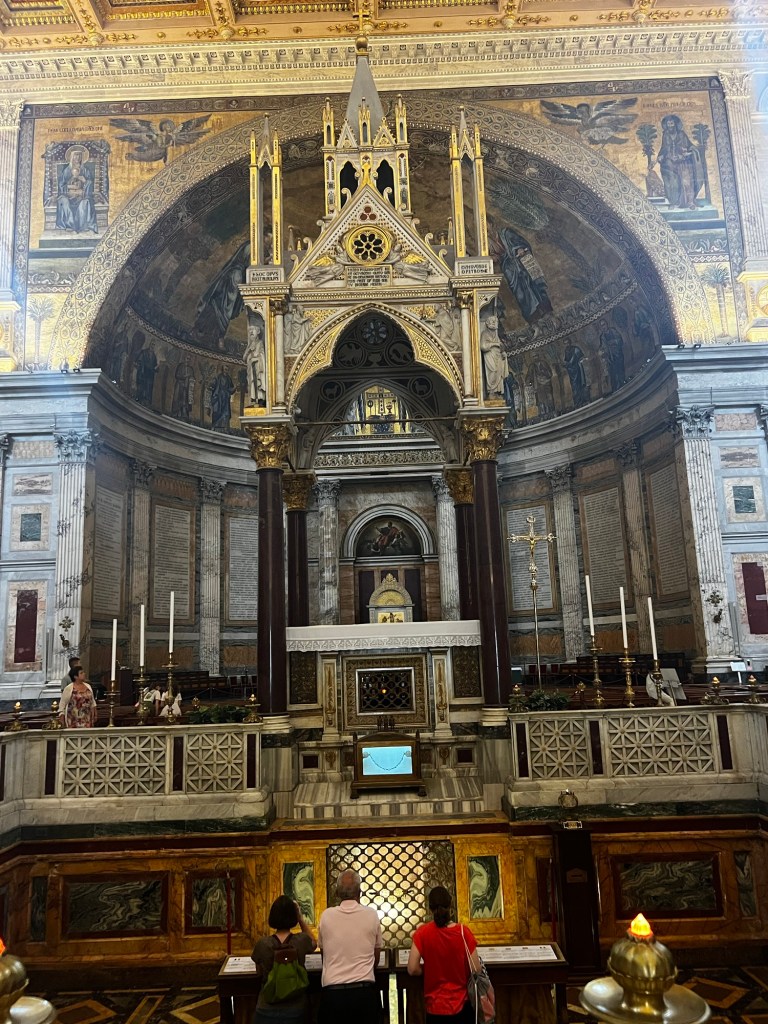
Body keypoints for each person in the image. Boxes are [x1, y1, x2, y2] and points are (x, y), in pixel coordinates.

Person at [407, 886, 482, 1024]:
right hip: (461, 1004)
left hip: (434, 1007)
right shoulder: (463, 932)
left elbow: (412, 969)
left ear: (430, 908)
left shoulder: (422, 933)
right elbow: (476, 969)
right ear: (450, 905)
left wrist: (426, 970)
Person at [317, 868, 382, 1024]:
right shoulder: (371, 915)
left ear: (337, 893)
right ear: (359, 892)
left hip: (333, 995)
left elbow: (324, 954)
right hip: (364, 993)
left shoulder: (326, 916)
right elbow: (376, 955)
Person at [252, 895, 316, 1023]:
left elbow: (259, 972)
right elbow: (314, 942)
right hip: (296, 1009)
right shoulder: (301, 941)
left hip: (267, 1009)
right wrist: (300, 919)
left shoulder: (263, 944)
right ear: (293, 917)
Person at [656, 114, 703, 211]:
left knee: (687, 181)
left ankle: (690, 202)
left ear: (675, 124)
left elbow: (689, 146)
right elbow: (664, 148)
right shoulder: (666, 135)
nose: (670, 126)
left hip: (683, 162)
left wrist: (691, 151)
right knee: (672, 182)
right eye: (668, 124)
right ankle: (674, 202)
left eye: (671, 123)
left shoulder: (681, 134)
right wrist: (661, 155)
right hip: (670, 163)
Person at [479, 314, 508, 399]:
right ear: (487, 323)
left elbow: (501, 345)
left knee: (499, 372)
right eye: (492, 321)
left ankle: (496, 392)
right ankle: (491, 391)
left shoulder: (496, 334)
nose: (494, 323)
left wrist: (503, 352)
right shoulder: (485, 333)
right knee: (493, 370)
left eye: (496, 321)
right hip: (489, 354)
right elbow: (483, 346)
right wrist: (494, 344)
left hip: (497, 356)